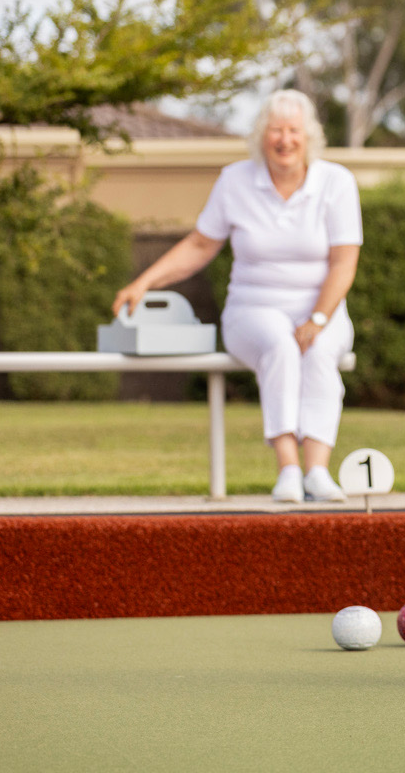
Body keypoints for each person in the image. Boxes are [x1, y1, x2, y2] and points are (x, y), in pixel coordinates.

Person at [112, 89, 363, 504]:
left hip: (323, 309)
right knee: (280, 346)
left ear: (309, 136)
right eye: (276, 130)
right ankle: (288, 469)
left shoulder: (336, 182)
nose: (285, 140)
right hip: (253, 309)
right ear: (261, 135)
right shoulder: (235, 180)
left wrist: (318, 319)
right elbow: (199, 245)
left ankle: (318, 471)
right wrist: (144, 283)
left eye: (294, 130)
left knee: (319, 352)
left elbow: (343, 262)